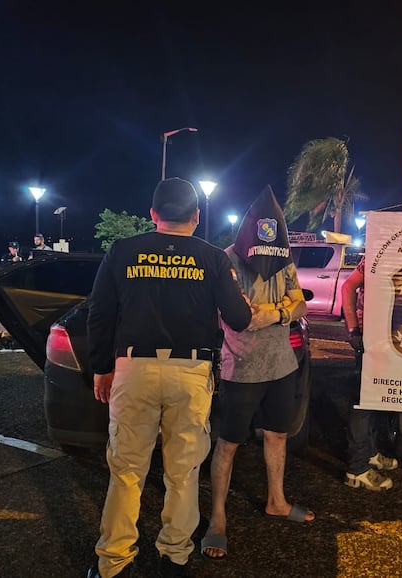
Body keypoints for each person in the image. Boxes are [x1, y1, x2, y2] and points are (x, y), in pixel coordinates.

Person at [85, 178, 253, 578]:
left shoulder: (122, 251)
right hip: (190, 374)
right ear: (196, 217)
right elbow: (239, 319)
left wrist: (101, 367)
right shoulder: (213, 257)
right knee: (183, 471)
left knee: (126, 471)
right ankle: (174, 557)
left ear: (153, 215)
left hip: (133, 369)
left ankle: (114, 563)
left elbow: (100, 314)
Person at [202, 186, 314, 561]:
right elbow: (241, 318)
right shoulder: (227, 260)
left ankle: (276, 501)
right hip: (240, 370)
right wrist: (272, 310)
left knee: (278, 436)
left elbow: (299, 305)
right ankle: (217, 519)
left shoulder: (283, 259)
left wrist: (277, 311)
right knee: (229, 444)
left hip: (281, 366)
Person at [341, 256, 399, 491]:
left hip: (393, 338)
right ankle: (356, 470)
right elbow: (348, 286)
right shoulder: (378, 253)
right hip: (372, 337)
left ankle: (370, 452)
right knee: (363, 401)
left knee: (376, 398)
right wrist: (353, 328)